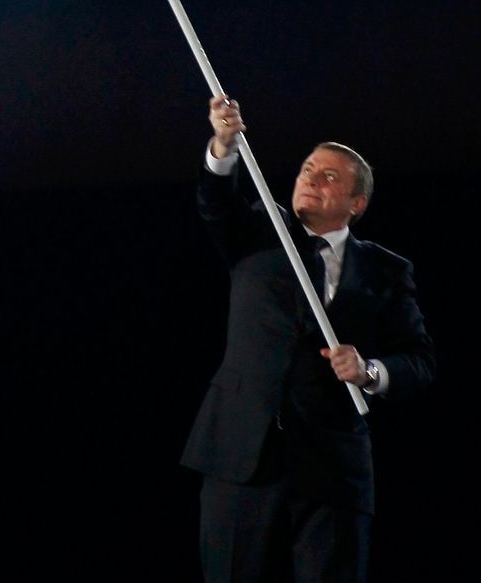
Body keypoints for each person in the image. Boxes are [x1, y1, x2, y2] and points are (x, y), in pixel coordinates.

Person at [183, 96, 435, 583]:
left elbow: (420, 360)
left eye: (330, 177)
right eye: (307, 170)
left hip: (332, 467)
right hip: (241, 455)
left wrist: (370, 371)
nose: (311, 180)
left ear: (356, 203)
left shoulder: (387, 270)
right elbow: (216, 200)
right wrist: (223, 144)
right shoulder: (260, 230)